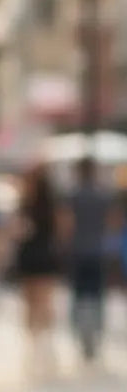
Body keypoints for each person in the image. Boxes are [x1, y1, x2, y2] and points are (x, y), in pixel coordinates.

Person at [65, 156, 117, 364]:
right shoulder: (102, 195)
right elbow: (112, 222)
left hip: (78, 251)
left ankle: (82, 335)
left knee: (80, 295)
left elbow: (66, 225)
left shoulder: (73, 196)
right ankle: (94, 334)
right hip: (97, 251)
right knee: (96, 295)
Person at [13, 164, 61, 378]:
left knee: (44, 300)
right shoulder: (25, 204)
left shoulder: (48, 205)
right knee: (30, 301)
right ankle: (33, 343)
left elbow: (60, 228)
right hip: (29, 256)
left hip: (43, 255)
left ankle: (45, 342)